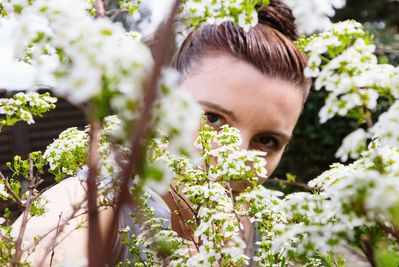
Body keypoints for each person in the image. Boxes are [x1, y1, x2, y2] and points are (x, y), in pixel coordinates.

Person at [12, 0, 325, 266]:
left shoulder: (262, 226)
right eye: (213, 118)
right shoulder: (71, 217)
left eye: (267, 140)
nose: (237, 156)